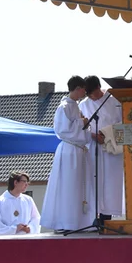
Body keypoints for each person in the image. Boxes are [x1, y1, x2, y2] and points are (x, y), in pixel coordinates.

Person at [41, 75, 97, 232]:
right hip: (69, 151)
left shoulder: (75, 106)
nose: (84, 93)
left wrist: (84, 123)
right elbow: (64, 130)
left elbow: (79, 127)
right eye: (83, 90)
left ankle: (80, 222)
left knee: (79, 187)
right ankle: (66, 222)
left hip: (78, 151)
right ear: (78, 88)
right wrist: (83, 123)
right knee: (69, 187)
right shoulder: (64, 106)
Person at [79, 75, 124, 221]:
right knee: (94, 181)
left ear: (99, 87)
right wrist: (92, 135)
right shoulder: (83, 104)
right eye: (88, 94)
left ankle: (107, 217)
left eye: (93, 93)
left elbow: (122, 121)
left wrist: (107, 133)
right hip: (93, 147)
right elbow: (81, 126)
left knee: (110, 183)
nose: (91, 97)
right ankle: (93, 216)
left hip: (112, 148)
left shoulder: (114, 99)